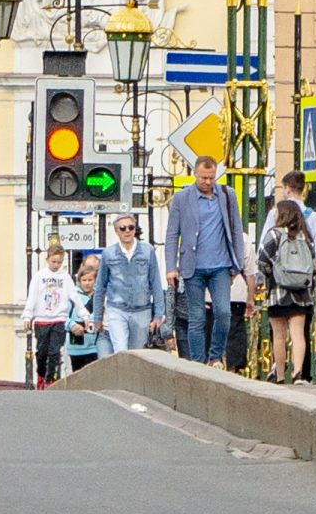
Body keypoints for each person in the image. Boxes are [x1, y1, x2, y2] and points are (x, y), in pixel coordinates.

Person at [165, 155, 248, 366]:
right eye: (203, 177)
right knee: (197, 317)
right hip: (193, 267)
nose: (208, 182)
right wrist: (170, 268)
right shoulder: (182, 198)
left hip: (221, 266)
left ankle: (215, 356)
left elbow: (236, 230)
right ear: (195, 174)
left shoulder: (227, 195)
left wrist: (237, 264)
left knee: (223, 312)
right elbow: (172, 234)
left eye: (211, 177)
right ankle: (197, 362)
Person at [254, 193, 316, 382]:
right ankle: (298, 372)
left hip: (278, 292)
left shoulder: (274, 234)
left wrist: (272, 275)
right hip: (301, 293)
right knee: (298, 334)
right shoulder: (305, 237)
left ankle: (281, 375)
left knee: (279, 336)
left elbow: (262, 261)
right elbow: (315, 266)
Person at [18, 242, 91, 386]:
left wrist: (84, 314)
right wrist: (28, 315)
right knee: (42, 351)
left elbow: (75, 297)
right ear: (47, 259)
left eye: (59, 262)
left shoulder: (65, 277)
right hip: (41, 319)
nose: (56, 265)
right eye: (54, 261)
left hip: (59, 318)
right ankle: (41, 374)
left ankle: (50, 379)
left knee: (54, 351)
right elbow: (32, 297)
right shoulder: (39, 276)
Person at [92, 214, 168, 354]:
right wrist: (97, 317)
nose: (127, 231)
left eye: (130, 227)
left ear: (134, 230)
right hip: (117, 309)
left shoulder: (147, 250)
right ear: (116, 231)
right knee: (120, 350)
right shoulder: (108, 254)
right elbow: (100, 287)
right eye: (122, 228)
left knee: (137, 354)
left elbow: (156, 283)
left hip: (142, 310)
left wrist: (158, 314)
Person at [63, 254, 104, 373]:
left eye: (90, 280)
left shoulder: (100, 295)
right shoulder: (72, 296)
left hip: (94, 347)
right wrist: (72, 325)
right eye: (84, 280)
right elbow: (62, 317)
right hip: (76, 347)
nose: (87, 283)